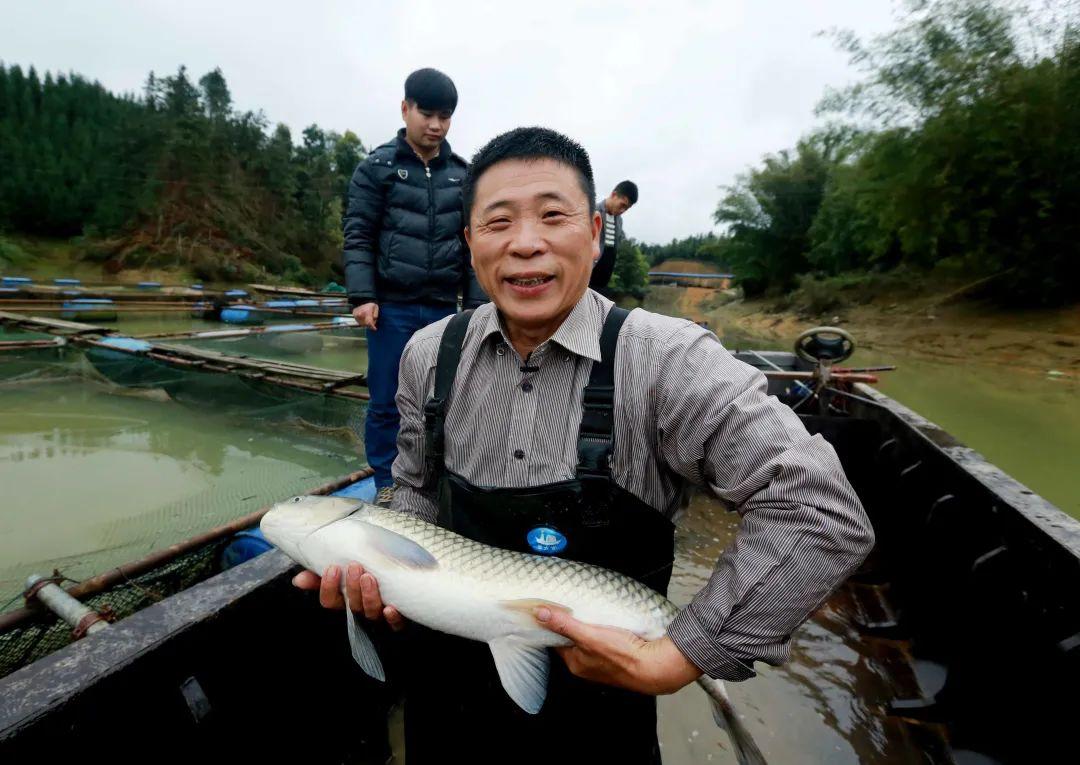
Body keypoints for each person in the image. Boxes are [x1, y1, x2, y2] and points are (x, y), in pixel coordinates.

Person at [298, 127, 874, 763]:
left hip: (603, 705)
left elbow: (819, 509)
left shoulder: (670, 359)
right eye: (497, 222)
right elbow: (411, 487)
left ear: (596, 232)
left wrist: (686, 652)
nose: (525, 244)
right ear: (469, 244)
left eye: (553, 216)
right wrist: (384, 577)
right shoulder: (428, 353)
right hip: (449, 686)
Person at [342, 68, 487, 505]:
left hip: (445, 308)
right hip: (392, 307)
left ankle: (438, 476)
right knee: (387, 398)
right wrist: (362, 295)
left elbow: (472, 245)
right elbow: (359, 233)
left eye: (445, 116)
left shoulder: (463, 176)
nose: (436, 125)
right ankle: (387, 480)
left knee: (445, 399)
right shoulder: (377, 169)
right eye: (427, 113)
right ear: (405, 108)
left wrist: (477, 308)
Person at [589, 179, 638, 295]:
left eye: (626, 209)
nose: (623, 211)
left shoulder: (619, 221)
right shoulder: (592, 211)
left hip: (605, 279)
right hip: (589, 273)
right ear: (614, 195)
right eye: (622, 205)